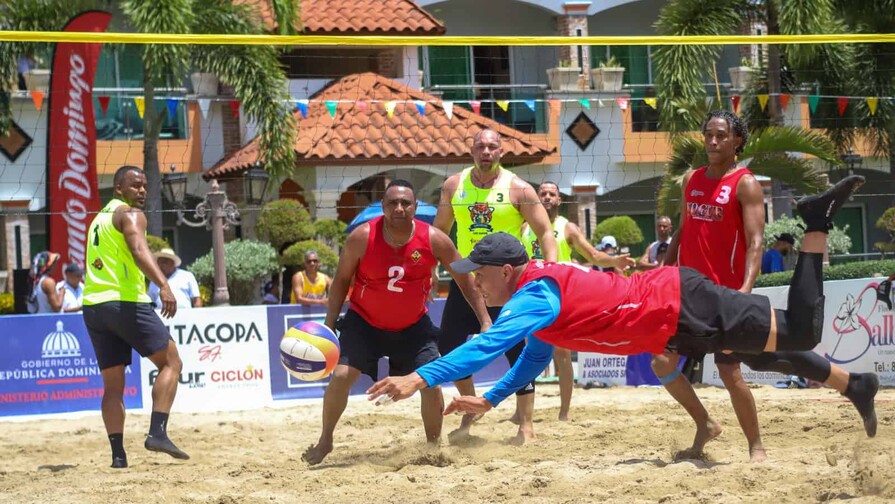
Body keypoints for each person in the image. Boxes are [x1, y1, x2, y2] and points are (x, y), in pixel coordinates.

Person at [369, 177, 879, 448]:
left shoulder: (533, 293)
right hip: (672, 325)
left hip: (681, 303)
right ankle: (854, 386)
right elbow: (531, 358)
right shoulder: (538, 297)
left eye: (478, 272)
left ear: (505, 270)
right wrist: (494, 399)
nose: (471, 281)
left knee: (801, 331)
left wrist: (418, 377)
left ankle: (814, 224)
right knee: (763, 357)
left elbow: (488, 345)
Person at [656, 111, 877, 462]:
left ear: (737, 141)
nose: (712, 141)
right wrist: (663, 271)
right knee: (662, 359)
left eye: (721, 136)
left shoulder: (744, 183)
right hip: (688, 293)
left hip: (725, 296)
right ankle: (707, 424)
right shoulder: (692, 181)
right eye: (708, 135)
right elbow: (683, 230)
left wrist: (745, 289)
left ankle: (757, 446)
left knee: (737, 368)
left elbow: (756, 241)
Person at [302, 180, 490, 465]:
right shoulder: (362, 237)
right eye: (392, 203)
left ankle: (433, 446)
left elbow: (465, 279)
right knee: (340, 377)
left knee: (431, 382)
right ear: (383, 207)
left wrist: (485, 320)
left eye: (405, 203)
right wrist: (329, 326)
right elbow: (340, 281)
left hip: (414, 327)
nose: (399, 208)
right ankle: (326, 439)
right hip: (364, 323)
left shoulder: (435, 239)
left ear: (415, 207)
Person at [433, 127, 557, 444]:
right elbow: (439, 234)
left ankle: (526, 425)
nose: (486, 151)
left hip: (507, 283)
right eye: (481, 146)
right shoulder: (453, 186)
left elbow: (545, 231)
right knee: (448, 346)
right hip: (468, 280)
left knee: (517, 352)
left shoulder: (518, 188)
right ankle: (470, 406)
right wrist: (430, 269)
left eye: (492, 147)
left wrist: (550, 269)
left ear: (501, 152)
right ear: (471, 151)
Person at [83, 165, 188, 468]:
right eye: (135, 186)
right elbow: (140, 249)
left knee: (113, 387)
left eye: (144, 185)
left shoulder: (98, 220)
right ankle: (157, 432)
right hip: (125, 302)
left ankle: (118, 456)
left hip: (94, 307)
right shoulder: (130, 215)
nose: (142, 190)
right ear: (118, 189)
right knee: (171, 362)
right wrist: (165, 285)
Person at [520, 181, 635, 421]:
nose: (547, 197)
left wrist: (613, 261)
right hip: (533, 295)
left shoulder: (567, 228)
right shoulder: (525, 227)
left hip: (561, 295)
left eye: (552, 194)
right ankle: (521, 411)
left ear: (559, 200)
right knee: (527, 354)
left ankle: (564, 412)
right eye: (543, 194)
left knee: (562, 354)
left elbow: (593, 255)